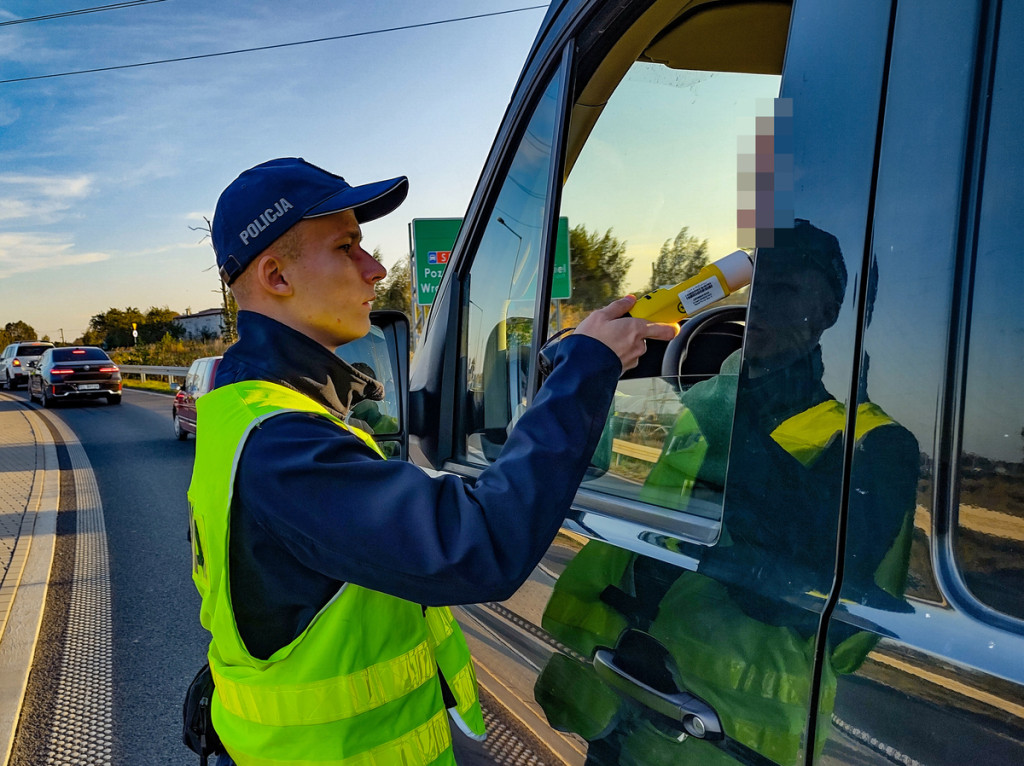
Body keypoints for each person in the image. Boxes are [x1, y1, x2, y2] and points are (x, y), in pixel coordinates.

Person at [186, 157, 678, 766]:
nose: (377, 269)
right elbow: (479, 543)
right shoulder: (283, 445)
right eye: (348, 248)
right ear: (276, 276)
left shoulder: (260, 412)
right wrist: (589, 372)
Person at [534, 220, 919, 765]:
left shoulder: (875, 443)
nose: (761, 305)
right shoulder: (698, 403)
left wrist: (729, 418)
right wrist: (581, 375)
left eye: (784, 290)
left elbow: (797, 588)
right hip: (623, 706)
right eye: (757, 288)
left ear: (829, 313)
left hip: (728, 740)